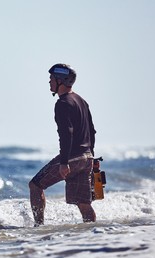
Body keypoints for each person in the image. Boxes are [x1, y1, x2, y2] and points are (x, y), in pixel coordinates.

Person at [29, 63, 97, 226]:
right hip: (86, 158)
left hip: (72, 158)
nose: (49, 82)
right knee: (83, 203)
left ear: (60, 80)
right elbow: (92, 131)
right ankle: (93, 234)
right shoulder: (82, 101)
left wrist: (64, 162)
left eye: (51, 78)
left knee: (35, 185)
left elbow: (66, 134)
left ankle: (39, 227)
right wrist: (92, 157)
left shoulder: (63, 103)